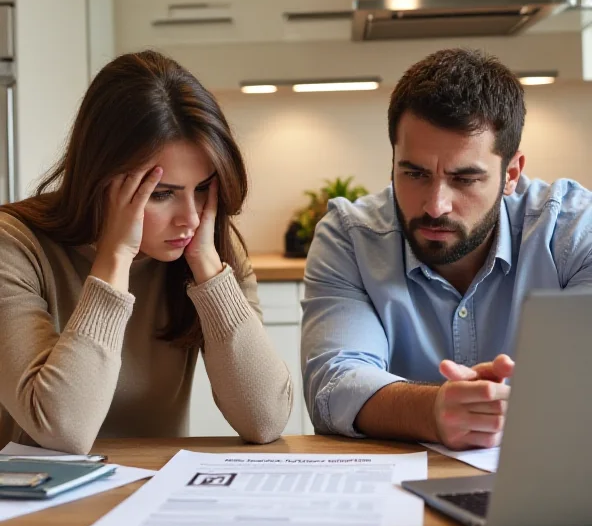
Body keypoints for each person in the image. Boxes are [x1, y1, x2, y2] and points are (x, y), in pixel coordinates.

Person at [0, 50, 293, 453]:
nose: (190, 218)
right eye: (161, 194)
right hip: (37, 505)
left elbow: (265, 420)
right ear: (99, 178)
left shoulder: (208, 248)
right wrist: (115, 257)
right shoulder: (14, 246)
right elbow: (62, 431)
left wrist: (208, 268)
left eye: (203, 188)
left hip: (154, 493)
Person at [301, 48, 592, 449]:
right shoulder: (350, 237)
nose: (435, 205)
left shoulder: (573, 231)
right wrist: (433, 410)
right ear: (393, 163)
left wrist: (496, 407)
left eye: (465, 178)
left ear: (511, 174)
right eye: (414, 173)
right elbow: (333, 385)